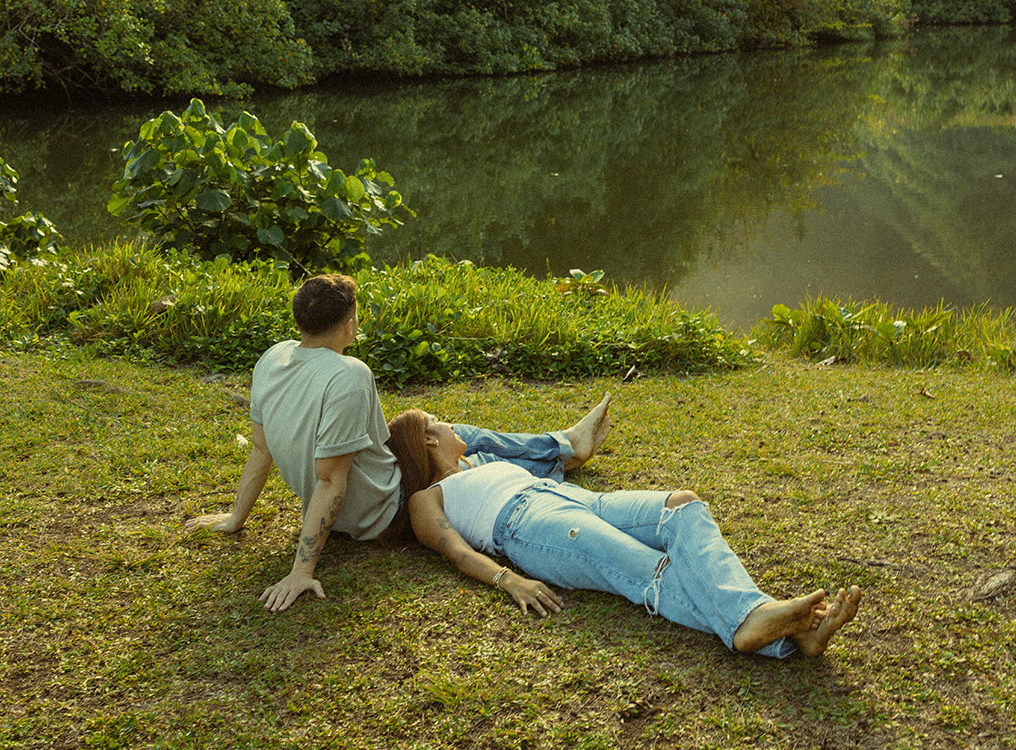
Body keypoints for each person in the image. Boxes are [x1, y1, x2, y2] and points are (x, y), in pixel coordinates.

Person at [186, 272, 612, 613]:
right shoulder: (348, 374)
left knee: (432, 428)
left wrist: (235, 517)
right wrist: (301, 571)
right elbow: (331, 480)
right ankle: (566, 448)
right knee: (463, 444)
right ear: (350, 324)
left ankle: (563, 448)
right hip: (383, 509)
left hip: (364, 490)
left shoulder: (272, 358)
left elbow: (261, 450)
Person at [389, 408, 862, 659]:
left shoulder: (480, 460)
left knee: (682, 504)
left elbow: (548, 457)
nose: (453, 425)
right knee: (647, 569)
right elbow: (453, 550)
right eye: (440, 422)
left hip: (571, 499)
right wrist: (508, 581)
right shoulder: (425, 499)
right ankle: (769, 630)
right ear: (428, 440)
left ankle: (766, 624)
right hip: (528, 525)